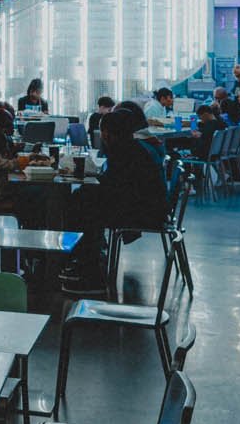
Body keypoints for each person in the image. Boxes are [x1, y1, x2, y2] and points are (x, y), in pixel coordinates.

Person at [62, 103, 169, 293]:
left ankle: (91, 273)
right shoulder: (139, 147)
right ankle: (89, 260)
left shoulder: (126, 152)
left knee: (81, 206)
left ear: (108, 133)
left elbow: (113, 187)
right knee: (83, 199)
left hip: (142, 213)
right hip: (152, 209)